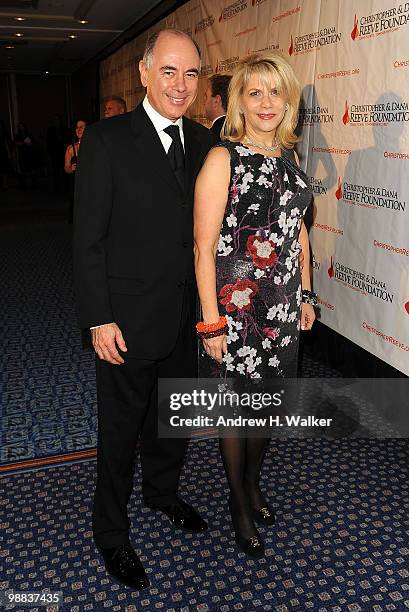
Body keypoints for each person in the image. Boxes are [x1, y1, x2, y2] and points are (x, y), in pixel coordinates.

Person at [73, 29, 216, 590]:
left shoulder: (207, 143)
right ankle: (110, 533)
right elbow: (88, 240)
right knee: (120, 431)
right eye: (169, 72)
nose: (180, 85)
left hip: (188, 315)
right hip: (126, 319)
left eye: (190, 74)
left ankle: (162, 494)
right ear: (144, 73)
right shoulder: (107, 141)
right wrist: (97, 317)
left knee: (173, 419)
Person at [194, 52, 316, 558]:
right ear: (240, 102)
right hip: (236, 308)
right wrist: (211, 324)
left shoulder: (288, 159)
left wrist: (306, 291)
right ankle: (238, 501)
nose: (267, 102)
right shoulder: (224, 158)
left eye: (275, 92)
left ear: (287, 101)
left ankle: (252, 483)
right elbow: (203, 247)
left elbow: (298, 231)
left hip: (282, 309)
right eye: (255, 92)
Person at [64, 119, 87, 223]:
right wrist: (71, 168)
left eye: (82, 126)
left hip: (89, 182)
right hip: (75, 183)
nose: (79, 129)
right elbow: (66, 168)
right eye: (77, 127)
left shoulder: (94, 146)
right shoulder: (71, 148)